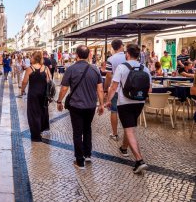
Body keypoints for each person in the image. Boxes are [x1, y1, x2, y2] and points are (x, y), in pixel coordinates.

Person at [106, 44, 152, 174]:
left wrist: (108, 100)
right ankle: (124, 148)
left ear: (127, 54)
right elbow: (149, 89)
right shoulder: (145, 69)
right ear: (138, 55)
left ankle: (139, 160)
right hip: (139, 102)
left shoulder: (122, 67)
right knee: (130, 126)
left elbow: (114, 87)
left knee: (129, 129)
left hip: (125, 102)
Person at [56, 45, 104, 169]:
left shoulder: (71, 69)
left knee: (77, 132)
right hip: (91, 105)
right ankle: (87, 154)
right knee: (87, 128)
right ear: (89, 55)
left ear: (76, 55)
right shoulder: (95, 69)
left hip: (76, 105)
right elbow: (100, 89)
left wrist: (59, 101)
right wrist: (101, 104)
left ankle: (79, 160)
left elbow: (64, 88)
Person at [21, 51, 50, 142]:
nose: (30, 59)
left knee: (33, 113)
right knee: (42, 111)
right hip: (43, 94)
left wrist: (22, 90)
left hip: (33, 94)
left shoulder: (30, 69)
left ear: (34, 58)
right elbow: (49, 80)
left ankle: (35, 134)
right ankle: (41, 129)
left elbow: (25, 81)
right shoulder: (45, 68)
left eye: (31, 57)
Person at [105, 39, 126, 141]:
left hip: (115, 88)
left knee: (114, 111)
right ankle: (128, 133)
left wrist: (106, 90)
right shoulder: (129, 57)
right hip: (128, 89)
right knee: (127, 111)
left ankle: (115, 134)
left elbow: (108, 76)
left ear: (113, 48)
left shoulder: (111, 59)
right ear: (121, 46)